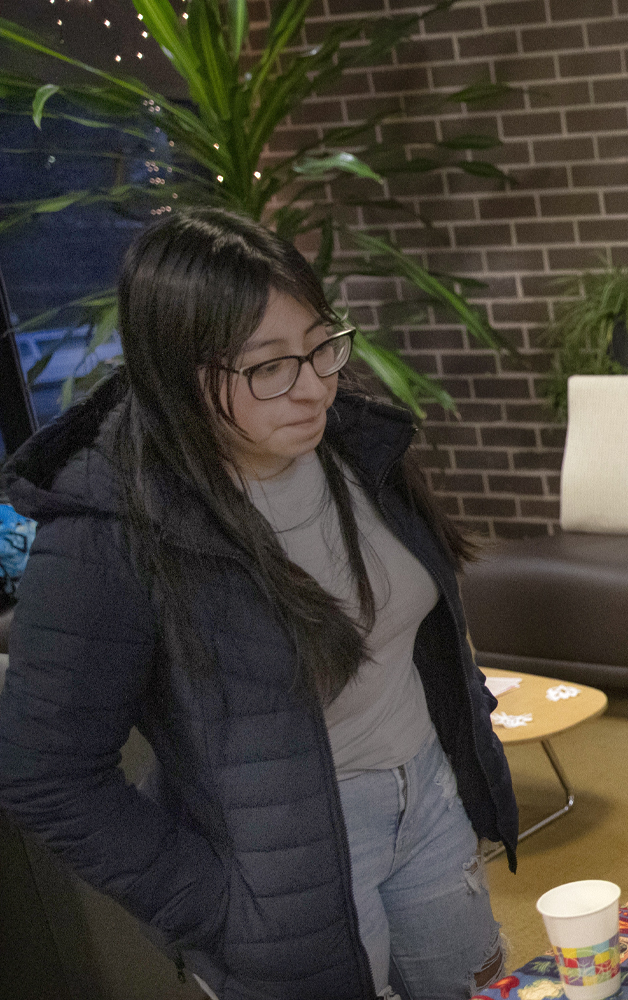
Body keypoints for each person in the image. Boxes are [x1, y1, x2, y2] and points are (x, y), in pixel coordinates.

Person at [0, 208, 516, 999]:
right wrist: (219, 910)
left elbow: (417, 623)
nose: (314, 385)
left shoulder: (345, 442)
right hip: (289, 868)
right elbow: (43, 771)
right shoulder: (112, 527)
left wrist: (465, 727)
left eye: (321, 345)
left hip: (428, 804)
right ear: (177, 369)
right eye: (269, 366)